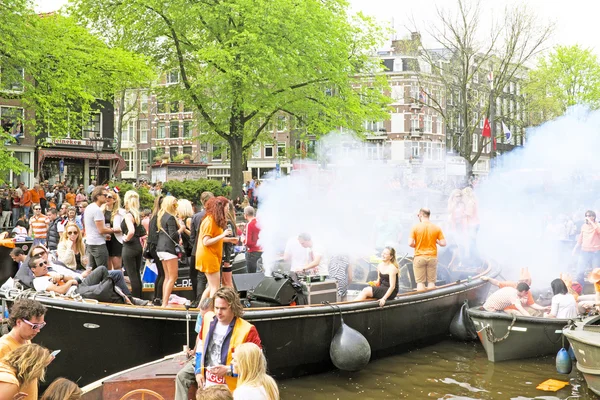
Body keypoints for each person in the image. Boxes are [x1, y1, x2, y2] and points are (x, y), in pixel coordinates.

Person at [198, 287, 261, 391]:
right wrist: (197, 372)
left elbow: (256, 365)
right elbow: (201, 347)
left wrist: (229, 370)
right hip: (208, 384)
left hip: (233, 389)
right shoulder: (207, 318)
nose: (218, 312)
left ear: (233, 307)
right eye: (216, 307)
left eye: (223, 308)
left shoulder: (248, 330)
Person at [0, 299, 47, 400]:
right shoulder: (3, 347)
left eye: (41, 326)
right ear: (19, 322)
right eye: (34, 326)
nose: (38, 330)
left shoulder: (26, 341)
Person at [174, 298, 214, 400]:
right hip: (200, 358)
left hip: (212, 362)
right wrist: (194, 351)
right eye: (201, 316)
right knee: (181, 376)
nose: (202, 319)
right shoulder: (202, 318)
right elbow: (199, 338)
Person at [197, 197, 236, 301]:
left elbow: (214, 239)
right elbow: (206, 241)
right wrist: (223, 235)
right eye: (226, 207)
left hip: (211, 255)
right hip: (209, 256)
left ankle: (201, 309)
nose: (228, 209)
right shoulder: (210, 221)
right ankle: (213, 310)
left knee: (211, 286)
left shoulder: (213, 220)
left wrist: (228, 239)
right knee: (215, 287)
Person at [480, 268, 549, 315]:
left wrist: (543, 308)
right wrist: (488, 278)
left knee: (536, 312)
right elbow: (497, 283)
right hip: (506, 308)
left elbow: (532, 304)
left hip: (518, 307)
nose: (525, 282)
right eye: (523, 281)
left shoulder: (526, 291)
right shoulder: (511, 287)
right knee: (519, 314)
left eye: (527, 281)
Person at [409, 208, 446, 291]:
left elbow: (410, 243)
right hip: (432, 257)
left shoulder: (415, 227)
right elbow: (443, 243)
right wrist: (437, 242)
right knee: (431, 283)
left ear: (421, 214)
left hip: (419, 257)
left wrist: (417, 245)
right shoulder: (436, 228)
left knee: (420, 283)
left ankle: (421, 302)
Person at [157, 196, 185, 307]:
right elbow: (173, 235)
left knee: (167, 277)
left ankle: (164, 302)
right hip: (169, 249)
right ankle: (164, 303)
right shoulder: (170, 218)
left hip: (161, 248)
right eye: (175, 204)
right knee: (173, 277)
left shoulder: (161, 216)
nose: (176, 207)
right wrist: (181, 229)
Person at [189, 192, 213, 307]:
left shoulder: (196, 216)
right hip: (211, 250)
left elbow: (192, 237)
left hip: (197, 250)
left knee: (199, 277)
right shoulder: (214, 216)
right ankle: (208, 302)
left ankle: (198, 300)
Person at [122, 191, 145, 298]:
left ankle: (136, 298)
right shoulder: (137, 215)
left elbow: (131, 231)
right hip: (137, 246)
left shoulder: (128, 215)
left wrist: (125, 238)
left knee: (132, 275)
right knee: (136, 274)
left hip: (129, 247)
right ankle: (139, 297)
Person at [83, 187, 113, 270]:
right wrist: (115, 229)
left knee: (92, 270)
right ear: (97, 196)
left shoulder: (89, 207)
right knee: (103, 270)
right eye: (105, 195)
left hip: (90, 242)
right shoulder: (97, 210)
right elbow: (101, 230)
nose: (107, 197)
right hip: (98, 244)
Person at [145, 195, 165, 306]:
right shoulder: (161, 217)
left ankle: (157, 297)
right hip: (158, 247)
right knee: (164, 274)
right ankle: (159, 297)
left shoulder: (153, 216)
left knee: (161, 273)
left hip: (153, 247)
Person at [572, 210, 600, 287]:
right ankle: (580, 289)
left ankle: (597, 290)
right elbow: (580, 239)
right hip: (584, 252)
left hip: (595, 252)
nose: (587, 217)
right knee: (579, 272)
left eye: (589, 215)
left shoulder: (597, 225)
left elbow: (598, 231)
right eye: (586, 216)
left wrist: (591, 222)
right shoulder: (584, 226)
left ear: (593, 217)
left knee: (596, 273)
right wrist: (575, 249)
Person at [102, 189, 125, 271]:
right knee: (106, 267)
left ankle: (119, 283)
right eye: (105, 196)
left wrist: (113, 229)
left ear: (114, 200)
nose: (106, 198)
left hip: (116, 239)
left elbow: (124, 227)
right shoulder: (101, 211)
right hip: (104, 240)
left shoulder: (121, 212)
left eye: (109, 197)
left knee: (117, 266)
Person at [221, 203, 238, 288]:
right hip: (225, 254)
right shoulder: (227, 222)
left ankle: (232, 300)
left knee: (227, 282)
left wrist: (227, 259)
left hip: (226, 254)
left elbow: (230, 241)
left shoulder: (228, 223)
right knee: (225, 282)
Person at [243, 206, 262, 274]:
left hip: (252, 252)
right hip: (261, 251)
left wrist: (243, 240)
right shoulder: (260, 222)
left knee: (251, 274)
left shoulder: (249, 224)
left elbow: (248, 242)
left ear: (245, 215)